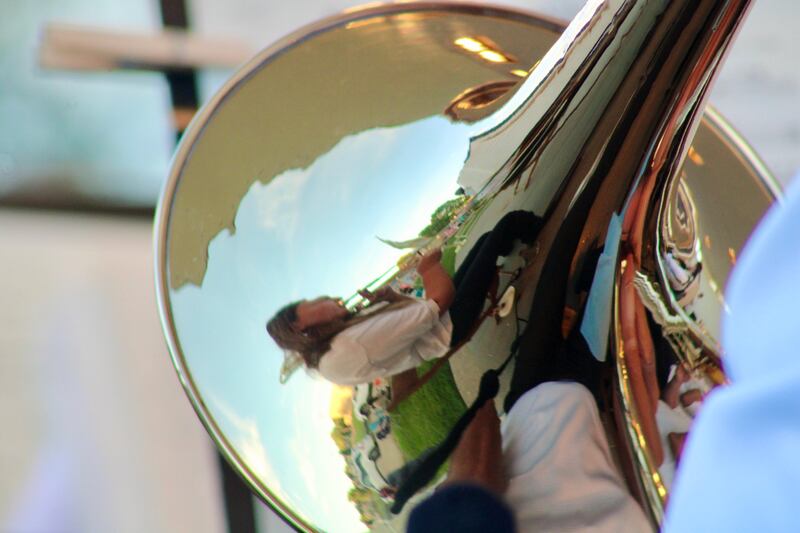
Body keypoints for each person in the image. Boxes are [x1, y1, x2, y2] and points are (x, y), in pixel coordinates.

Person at [266, 210, 542, 385]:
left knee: (487, 239)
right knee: (510, 223)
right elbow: (438, 302)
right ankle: (547, 237)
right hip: (449, 324)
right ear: (298, 327)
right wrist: (428, 267)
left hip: (442, 322)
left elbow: (417, 317)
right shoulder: (346, 348)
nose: (328, 299)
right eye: (315, 304)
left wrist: (391, 298)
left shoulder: (336, 346)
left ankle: (529, 246)